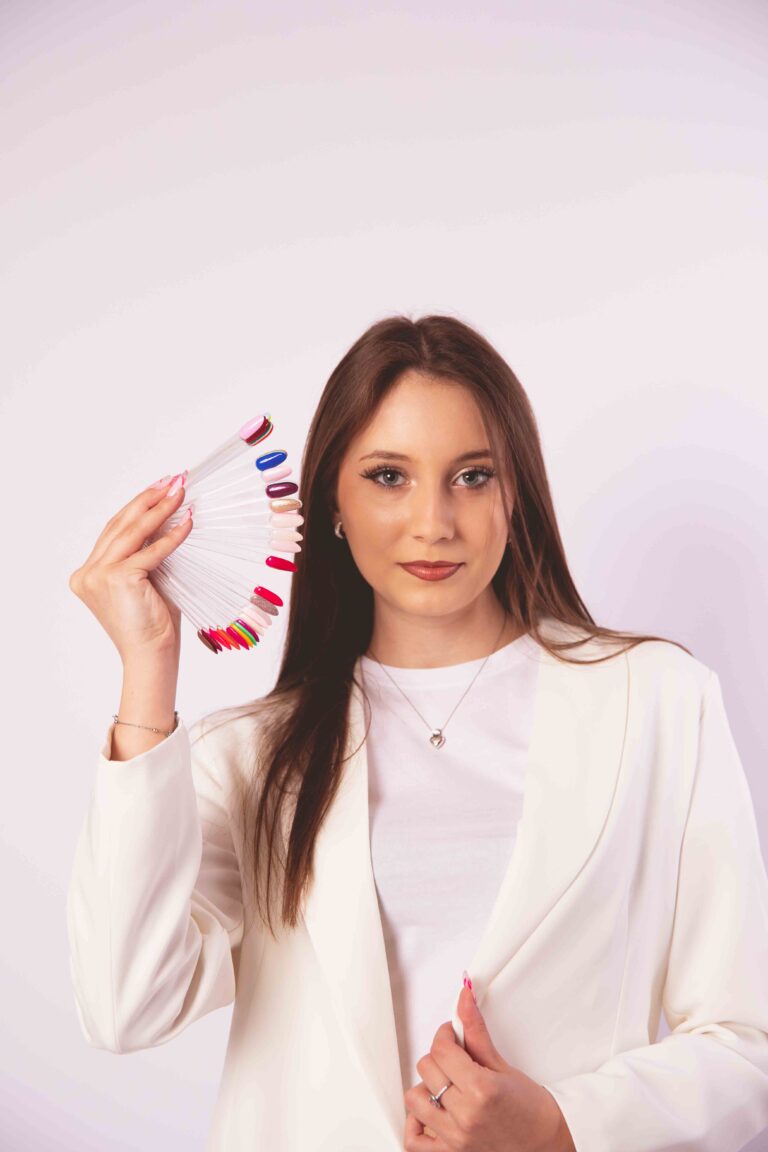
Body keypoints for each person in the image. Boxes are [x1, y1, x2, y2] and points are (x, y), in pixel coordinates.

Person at [66, 314, 768, 1152]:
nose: (433, 522)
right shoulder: (251, 757)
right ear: (332, 500)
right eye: (388, 476)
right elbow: (124, 1006)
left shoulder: (658, 701)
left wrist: (561, 1125)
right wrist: (148, 667)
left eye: (472, 476)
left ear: (516, 491)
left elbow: (748, 1044)